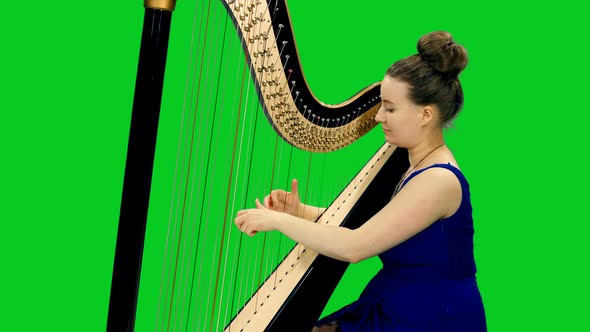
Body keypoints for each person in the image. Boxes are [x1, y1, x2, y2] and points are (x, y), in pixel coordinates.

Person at [234, 31, 487, 332]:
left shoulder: (438, 180)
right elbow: (378, 227)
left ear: (425, 115)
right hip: (398, 301)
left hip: (431, 316)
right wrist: (299, 211)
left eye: (390, 108)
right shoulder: (415, 161)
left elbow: (355, 246)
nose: (379, 116)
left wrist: (275, 222)